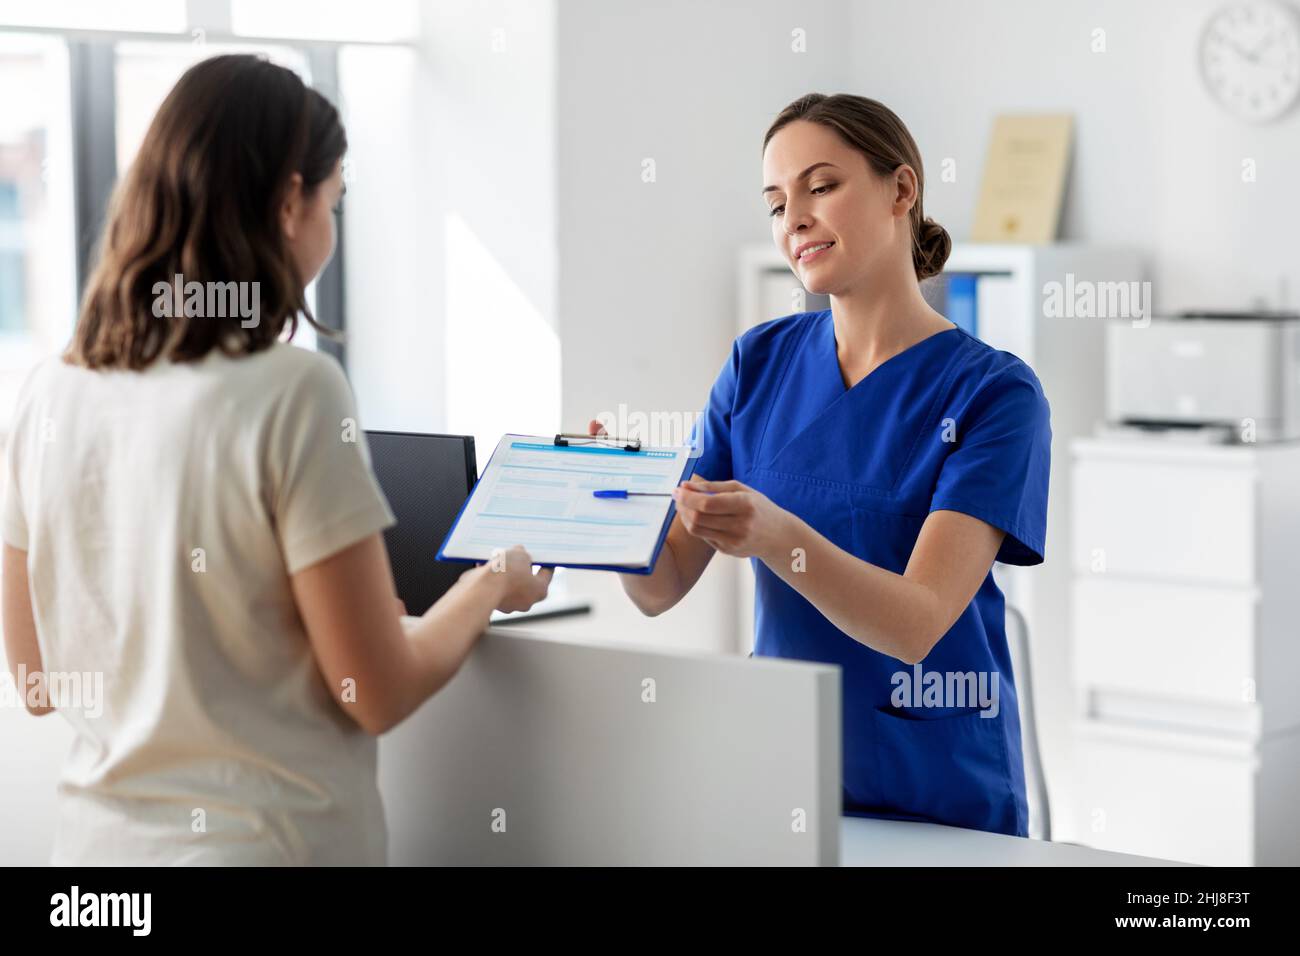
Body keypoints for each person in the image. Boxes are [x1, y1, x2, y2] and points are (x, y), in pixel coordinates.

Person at [1, 54, 550, 865]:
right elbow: (377, 691)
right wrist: (488, 583)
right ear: (291, 201)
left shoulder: (49, 391)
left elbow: (38, 682)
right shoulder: (293, 390)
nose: (331, 229)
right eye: (334, 202)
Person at [592, 93, 1051, 836]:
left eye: (821, 186)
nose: (794, 220)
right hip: (783, 771)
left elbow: (919, 623)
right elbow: (661, 584)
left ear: (901, 190)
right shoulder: (757, 364)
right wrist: (600, 511)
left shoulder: (994, 394)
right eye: (776, 204)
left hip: (937, 790)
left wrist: (777, 536)